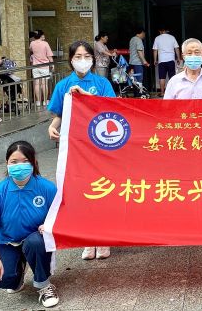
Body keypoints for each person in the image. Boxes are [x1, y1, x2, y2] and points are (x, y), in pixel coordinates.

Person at [47, 40, 115, 260]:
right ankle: (87, 239)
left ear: (93, 59)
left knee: (102, 191)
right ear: (71, 60)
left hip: (100, 145)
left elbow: (112, 109)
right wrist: (53, 126)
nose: (82, 60)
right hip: (75, 148)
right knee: (81, 192)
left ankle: (103, 238)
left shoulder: (102, 83)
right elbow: (60, 113)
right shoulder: (63, 85)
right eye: (78, 56)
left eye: (87, 56)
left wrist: (86, 97)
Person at [0, 141, 60, 308]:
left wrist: (50, 224)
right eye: (14, 162)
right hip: (8, 242)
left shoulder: (47, 188)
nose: (19, 166)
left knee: (35, 242)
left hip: (36, 240)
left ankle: (44, 284)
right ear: (7, 163)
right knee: (0, 277)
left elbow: (61, 214)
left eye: (25, 161)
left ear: (33, 162)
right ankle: (18, 273)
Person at [152, 27, 181, 97]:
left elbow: (155, 50)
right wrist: (178, 58)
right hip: (171, 60)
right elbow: (177, 48)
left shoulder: (157, 38)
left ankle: (162, 93)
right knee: (172, 77)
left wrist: (155, 60)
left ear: (160, 31)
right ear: (166, 30)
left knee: (162, 77)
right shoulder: (172, 37)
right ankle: (173, 93)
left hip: (161, 60)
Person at [29, 30, 53, 108]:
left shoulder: (32, 43)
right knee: (44, 84)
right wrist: (52, 64)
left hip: (35, 67)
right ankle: (45, 101)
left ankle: (38, 101)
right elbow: (49, 56)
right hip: (44, 66)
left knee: (37, 84)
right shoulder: (45, 44)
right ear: (41, 35)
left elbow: (31, 50)